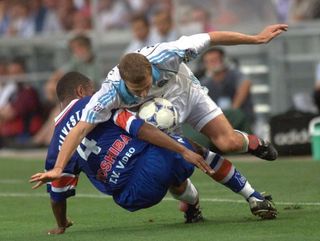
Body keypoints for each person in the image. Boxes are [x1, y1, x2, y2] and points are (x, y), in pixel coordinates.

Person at [38, 24, 287, 215]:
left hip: (185, 91)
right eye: (136, 90)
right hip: (155, 114)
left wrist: (257, 38)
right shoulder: (108, 94)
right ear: (124, 82)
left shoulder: (168, 54)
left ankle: (253, 143)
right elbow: (79, 129)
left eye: (146, 85)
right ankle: (226, 200)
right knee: (172, 164)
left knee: (228, 143)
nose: (143, 93)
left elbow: (212, 38)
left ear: (150, 69)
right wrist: (59, 167)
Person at [30, 72, 277, 234]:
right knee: (191, 150)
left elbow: (57, 195)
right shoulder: (96, 102)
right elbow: (139, 127)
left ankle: (191, 206)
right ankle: (254, 197)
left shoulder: (55, 145)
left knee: (173, 173)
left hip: (130, 198)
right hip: (148, 164)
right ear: (83, 91)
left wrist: (61, 225)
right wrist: (182, 148)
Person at [200, 47, 254, 132]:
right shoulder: (205, 82)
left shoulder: (234, 74)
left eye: (215, 60)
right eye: (208, 61)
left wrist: (233, 111)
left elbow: (245, 84)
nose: (212, 64)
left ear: (223, 60)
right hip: (219, 126)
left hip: (243, 122)